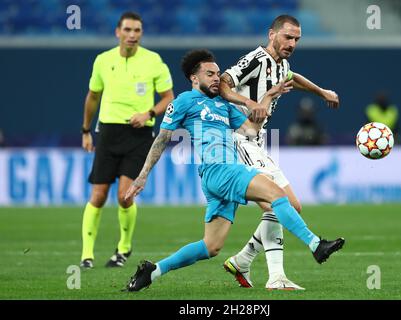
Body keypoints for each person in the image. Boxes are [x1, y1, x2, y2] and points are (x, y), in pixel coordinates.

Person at [123, 49, 344, 292]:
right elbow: (162, 139)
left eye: (218, 73)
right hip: (220, 169)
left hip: (221, 175)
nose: (217, 78)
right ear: (194, 78)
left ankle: (154, 270)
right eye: (210, 74)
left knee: (211, 246)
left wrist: (268, 97)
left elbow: (251, 131)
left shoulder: (223, 104)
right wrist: (142, 176)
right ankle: (316, 245)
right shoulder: (185, 101)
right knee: (278, 196)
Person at [218, 14, 340, 290]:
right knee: (277, 203)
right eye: (288, 36)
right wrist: (250, 102)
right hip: (240, 137)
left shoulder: (281, 64)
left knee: (291, 206)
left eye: (297, 39)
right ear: (271, 34)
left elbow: (292, 77)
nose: (292, 43)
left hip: (257, 140)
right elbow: (223, 84)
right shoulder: (256, 59)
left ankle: (243, 260)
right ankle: (276, 277)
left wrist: (322, 92)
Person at [79, 12, 174, 269]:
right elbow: (92, 97)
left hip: (139, 136)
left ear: (141, 33)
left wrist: (149, 113)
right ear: (118, 32)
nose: (132, 35)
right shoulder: (103, 60)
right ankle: (87, 255)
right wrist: (86, 130)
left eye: (137, 31)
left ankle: (123, 248)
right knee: (97, 195)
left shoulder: (153, 61)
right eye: (128, 30)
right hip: (108, 133)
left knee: (124, 196)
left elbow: (169, 97)